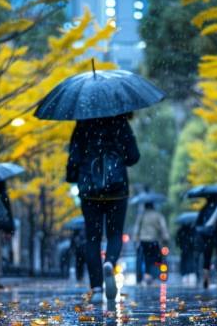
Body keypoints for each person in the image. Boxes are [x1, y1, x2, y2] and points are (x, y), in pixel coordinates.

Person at [66, 114, 140, 303]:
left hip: (89, 188)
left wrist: (75, 174)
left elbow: (74, 156)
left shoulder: (83, 122)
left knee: (92, 238)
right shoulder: (120, 122)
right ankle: (109, 262)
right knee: (115, 234)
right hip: (117, 188)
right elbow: (133, 156)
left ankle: (97, 288)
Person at [133, 202, 170, 284]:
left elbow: (136, 228)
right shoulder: (158, 216)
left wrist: (136, 239)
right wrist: (165, 238)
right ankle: (154, 276)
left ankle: (145, 276)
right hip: (154, 241)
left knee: (144, 258)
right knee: (156, 259)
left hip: (143, 241)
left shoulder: (141, 216)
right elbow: (163, 228)